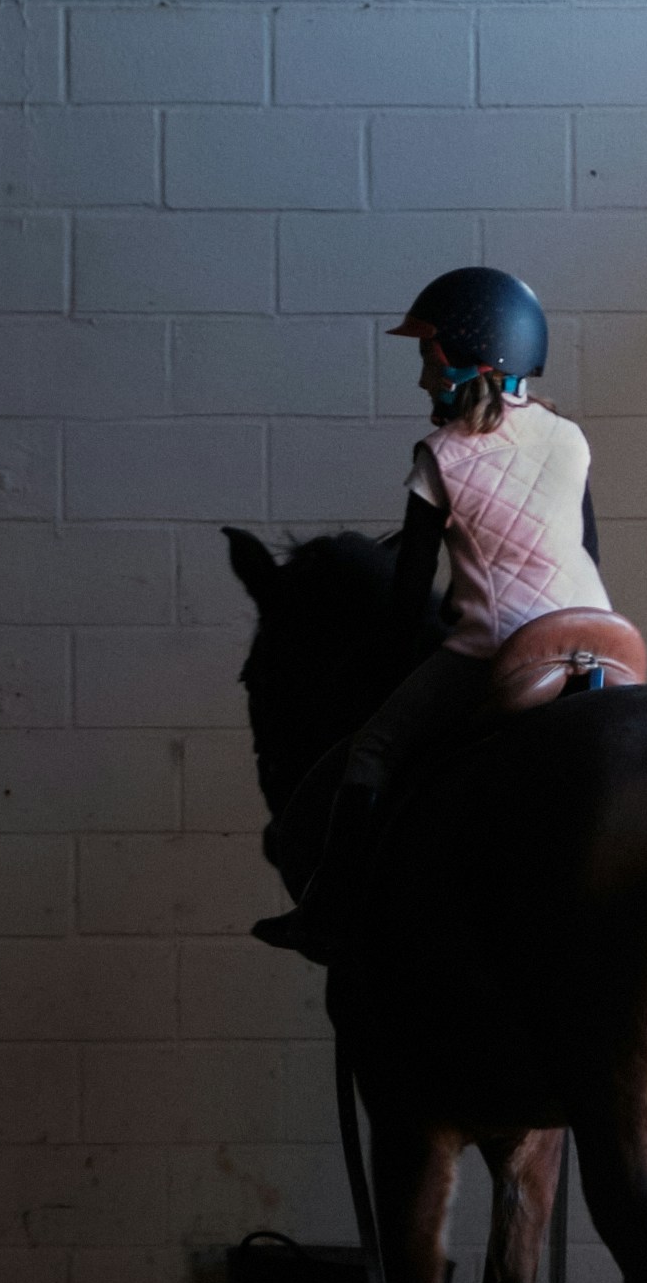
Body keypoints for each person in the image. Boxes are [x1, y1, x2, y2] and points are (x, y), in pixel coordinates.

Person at [258, 264, 609, 961]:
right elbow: (589, 548)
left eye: (429, 358)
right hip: (597, 638)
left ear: (471, 361)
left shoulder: (437, 459)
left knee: (374, 747)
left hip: (500, 646)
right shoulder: (568, 438)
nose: (422, 378)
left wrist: (393, 667)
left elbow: (410, 587)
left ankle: (326, 910)